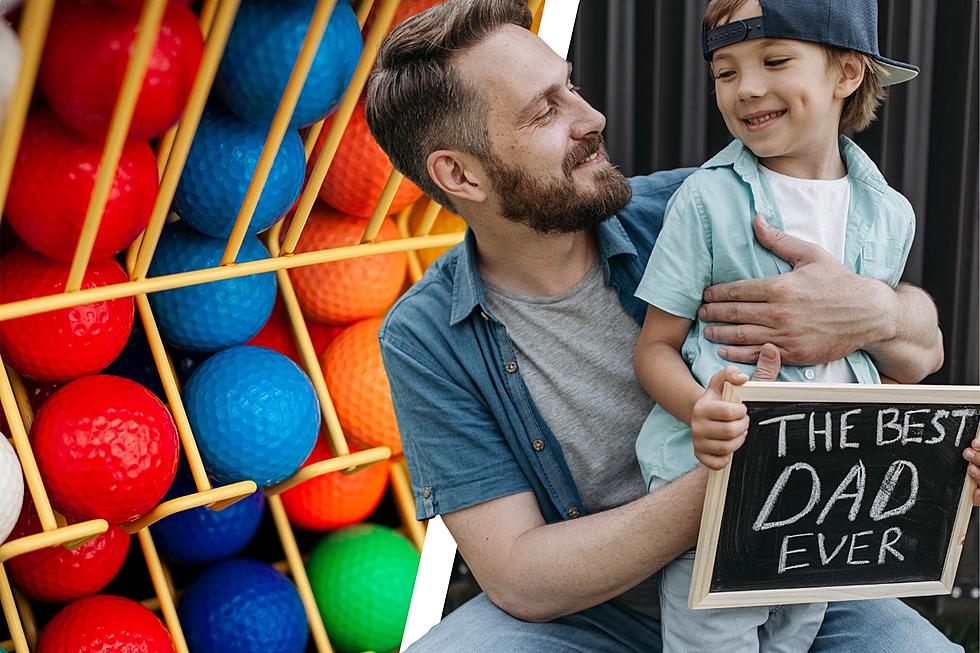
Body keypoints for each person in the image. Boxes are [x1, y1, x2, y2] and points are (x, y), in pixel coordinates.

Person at [364, 0, 978, 650]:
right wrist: (753, 470)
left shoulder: (696, 208)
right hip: (596, 611)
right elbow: (521, 575)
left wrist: (875, 314)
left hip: (783, 574)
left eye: (570, 85)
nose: (592, 117)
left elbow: (921, 342)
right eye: (546, 110)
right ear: (459, 174)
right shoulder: (427, 334)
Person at [631, 1, 931, 650]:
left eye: (774, 60)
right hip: (723, 491)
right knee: (715, 637)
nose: (748, 88)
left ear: (847, 72)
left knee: (796, 635)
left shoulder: (889, 214)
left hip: (826, 496)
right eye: (725, 70)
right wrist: (701, 406)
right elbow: (654, 346)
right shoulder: (707, 202)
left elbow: (875, 354)